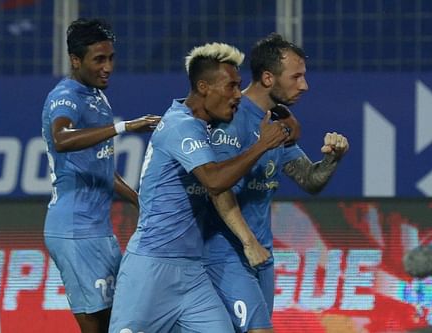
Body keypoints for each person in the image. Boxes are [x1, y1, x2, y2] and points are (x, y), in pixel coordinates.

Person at [108, 42, 291, 333]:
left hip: (192, 273)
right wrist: (262, 145)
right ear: (204, 87)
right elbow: (215, 181)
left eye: (239, 87)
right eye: (231, 87)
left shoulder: (205, 129)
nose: (237, 96)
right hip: (152, 268)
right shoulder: (181, 125)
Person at [203, 33, 350, 333]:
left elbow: (310, 180)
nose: (304, 85)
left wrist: (333, 158)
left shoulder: (278, 122)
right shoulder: (230, 117)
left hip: (261, 257)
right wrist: (248, 242)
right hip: (225, 254)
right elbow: (217, 187)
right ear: (268, 78)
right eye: (296, 77)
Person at [41, 18, 160, 333]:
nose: (108, 67)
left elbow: (101, 166)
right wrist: (125, 126)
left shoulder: (97, 97)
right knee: (100, 327)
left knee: (121, 322)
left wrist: (139, 200)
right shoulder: (65, 96)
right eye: (99, 60)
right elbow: (62, 138)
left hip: (99, 230)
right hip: (74, 231)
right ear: (76, 61)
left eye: (110, 58)